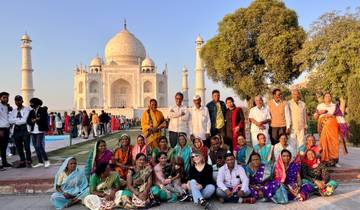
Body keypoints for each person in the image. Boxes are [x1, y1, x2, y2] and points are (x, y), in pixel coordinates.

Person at [314, 92, 348, 167]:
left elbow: (339, 116)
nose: (327, 97)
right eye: (326, 96)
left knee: (333, 143)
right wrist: (320, 112)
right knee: (324, 142)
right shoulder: (320, 106)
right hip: (323, 126)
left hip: (333, 126)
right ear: (323, 98)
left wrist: (343, 125)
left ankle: (334, 161)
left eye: (329, 96)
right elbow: (315, 117)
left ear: (331, 98)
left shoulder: (335, 106)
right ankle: (324, 160)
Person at [9, 95, 32, 168]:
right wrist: (18, 121)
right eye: (16, 100)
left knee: (27, 147)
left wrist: (15, 120)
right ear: (15, 102)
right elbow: (10, 120)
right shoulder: (13, 111)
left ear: (22, 101)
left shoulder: (27, 109)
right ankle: (22, 161)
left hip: (24, 129)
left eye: (19, 100)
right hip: (16, 130)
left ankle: (29, 161)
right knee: (19, 147)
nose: (18, 102)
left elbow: (24, 120)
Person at [27, 97, 50, 168]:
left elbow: (43, 118)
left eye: (32, 103)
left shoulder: (42, 109)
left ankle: (46, 161)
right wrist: (34, 120)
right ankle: (40, 161)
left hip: (40, 130)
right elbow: (28, 121)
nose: (31, 105)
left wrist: (36, 120)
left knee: (39, 145)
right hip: (33, 131)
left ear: (36, 103)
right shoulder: (31, 111)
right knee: (35, 146)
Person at [288, 89, 307, 153]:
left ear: (299, 95)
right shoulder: (289, 103)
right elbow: (287, 116)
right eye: (294, 94)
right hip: (292, 127)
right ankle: (293, 159)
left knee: (302, 144)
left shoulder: (303, 104)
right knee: (292, 144)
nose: (296, 95)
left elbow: (305, 115)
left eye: (297, 94)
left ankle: (301, 159)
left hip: (301, 127)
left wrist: (305, 126)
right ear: (292, 95)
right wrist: (288, 127)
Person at [0, 92, 12, 169]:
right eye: (4, 97)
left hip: (7, 128)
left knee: (4, 147)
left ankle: (4, 162)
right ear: (0, 98)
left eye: (7, 97)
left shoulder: (7, 107)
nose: (6, 99)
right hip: (1, 129)